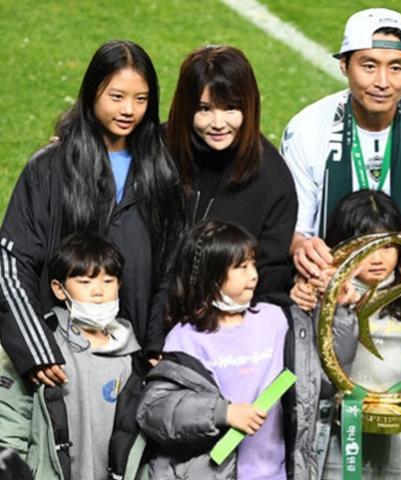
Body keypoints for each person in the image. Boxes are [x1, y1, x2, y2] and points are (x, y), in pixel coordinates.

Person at [0, 40, 184, 386]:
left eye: (141, 99)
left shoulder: (163, 171)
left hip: (136, 364)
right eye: (117, 97)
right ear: (91, 94)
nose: (129, 109)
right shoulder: (49, 168)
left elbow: (170, 265)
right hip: (61, 365)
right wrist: (37, 349)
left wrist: (157, 341)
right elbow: (12, 264)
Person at [280, 8, 401, 289]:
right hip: (331, 298)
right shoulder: (306, 129)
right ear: (344, 65)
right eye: (369, 66)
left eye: (396, 67)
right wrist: (301, 246)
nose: (383, 82)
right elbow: (296, 227)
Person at [136, 220, 336, 479]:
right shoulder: (185, 338)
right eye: (241, 267)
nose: (253, 274)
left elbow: (323, 378)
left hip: (279, 473)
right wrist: (223, 413)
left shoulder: (277, 319)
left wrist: (335, 309)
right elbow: (155, 409)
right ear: (210, 276)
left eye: (253, 264)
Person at [290, 190, 401, 479]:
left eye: (386, 246)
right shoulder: (317, 302)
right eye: (366, 247)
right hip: (334, 448)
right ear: (344, 248)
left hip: (397, 450)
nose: (377, 259)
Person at [0, 232, 149, 480]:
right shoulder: (42, 347)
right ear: (59, 289)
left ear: (119, 285)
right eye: (85, 282)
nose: (98, 291)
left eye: (108, 280)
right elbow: (11, 418)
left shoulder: (133, 359)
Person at [166, 45, 297, 296]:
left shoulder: (273, 178)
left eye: (230, 109)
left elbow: (268, 274)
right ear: (186, 108)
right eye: (205, 109)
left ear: (249, 107)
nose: (218, 124)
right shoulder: (158, 151)